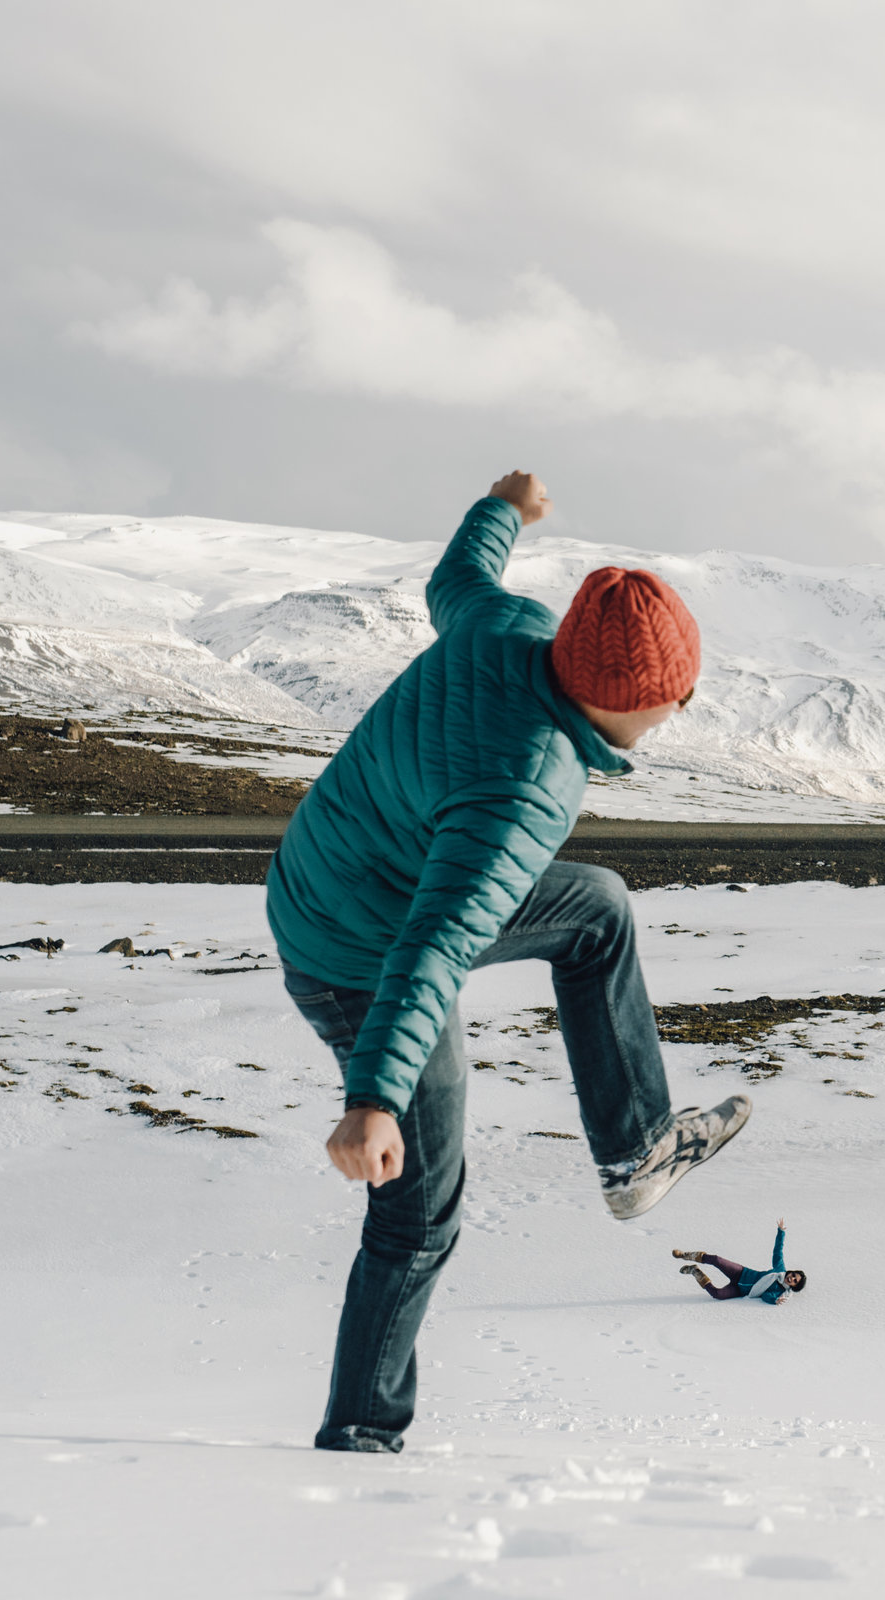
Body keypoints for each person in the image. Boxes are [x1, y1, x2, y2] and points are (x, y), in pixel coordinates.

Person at [268, 470, 753, 1454]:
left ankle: (636, 1150)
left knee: (595, 908)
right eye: (674, 696)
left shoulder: (505, 625)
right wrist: (372, 1098)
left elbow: (456, 576)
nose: (680, 705)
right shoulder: (528, 788)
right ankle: (359, 1439)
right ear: (630, 700)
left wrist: (503, 511)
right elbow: (434, 949)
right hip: (362, 953)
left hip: (340, 876)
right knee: (418, 1210)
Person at [676, 1220, 806, 1304]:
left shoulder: (780, 1292)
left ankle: (695, 1271)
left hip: (739, 1290)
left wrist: (775, 1300)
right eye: (793, 1275)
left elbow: (766, 1296)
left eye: (795, 1281)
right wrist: (781, 1232)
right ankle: (686, 1255)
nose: (792, 1279)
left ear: (794, 1287)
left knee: (718, 1295)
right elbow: (778, 1251)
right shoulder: (780, 1270)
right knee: (717, 1260)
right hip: (742, 1273)